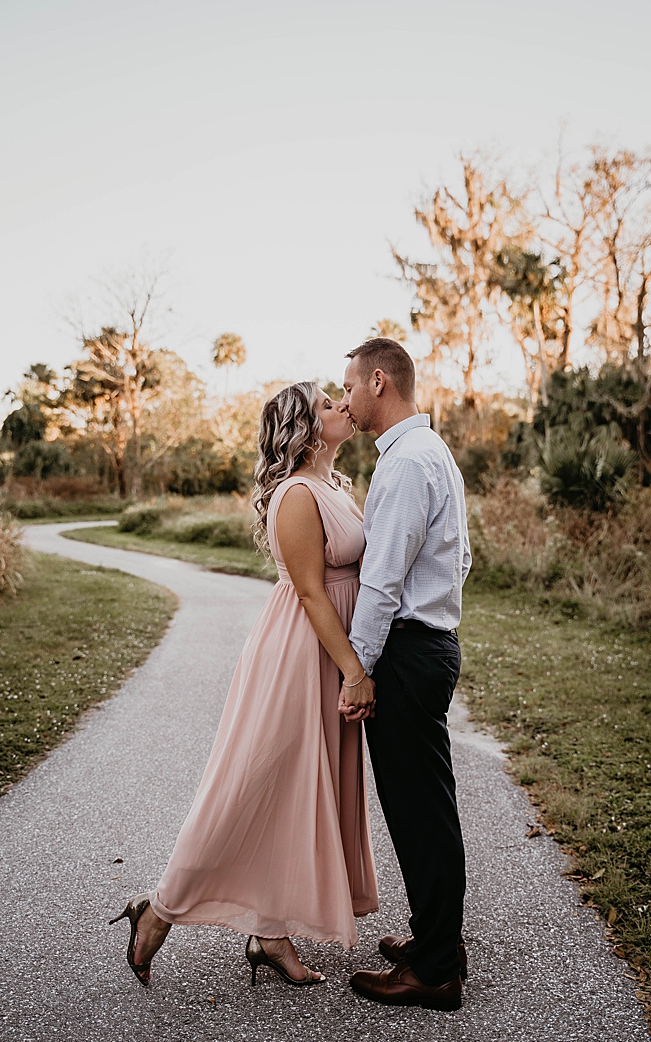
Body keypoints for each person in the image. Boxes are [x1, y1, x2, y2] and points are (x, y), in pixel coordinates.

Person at [111, 382, 378, 988]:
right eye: (327, 404)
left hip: (327, 650)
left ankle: (270, 933)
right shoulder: (295, 494)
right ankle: (158, 909)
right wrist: (356, 670)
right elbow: (311, 591)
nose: (343, 406)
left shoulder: (336, 486)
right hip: (298, 655)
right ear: (305, 429)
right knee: (251, 786)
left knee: (296, 791)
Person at [336, 337, 472, 1013]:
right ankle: (434, 940)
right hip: (427, 644)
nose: (347, 400)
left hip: (409, 651)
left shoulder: (407, 463)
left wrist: (358, 668)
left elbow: (382, 582)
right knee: (426, 808)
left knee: (420, 814)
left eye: (351, 387)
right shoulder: (428, 452)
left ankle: (437, 969)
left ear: (380, 381)